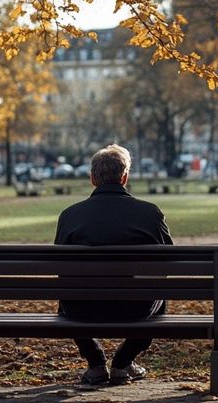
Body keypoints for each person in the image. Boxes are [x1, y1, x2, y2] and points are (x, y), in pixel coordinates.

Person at [54, 144, 173, 386]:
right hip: (136, 308)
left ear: (92, 178)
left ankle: (96, 363)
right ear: (125, 177)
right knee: (159, 294)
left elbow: (59, 265)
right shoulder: (149, 213)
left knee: (66, 297)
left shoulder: (69, 216)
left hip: (81, 309)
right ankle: (123, 362)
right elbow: (170, 258)